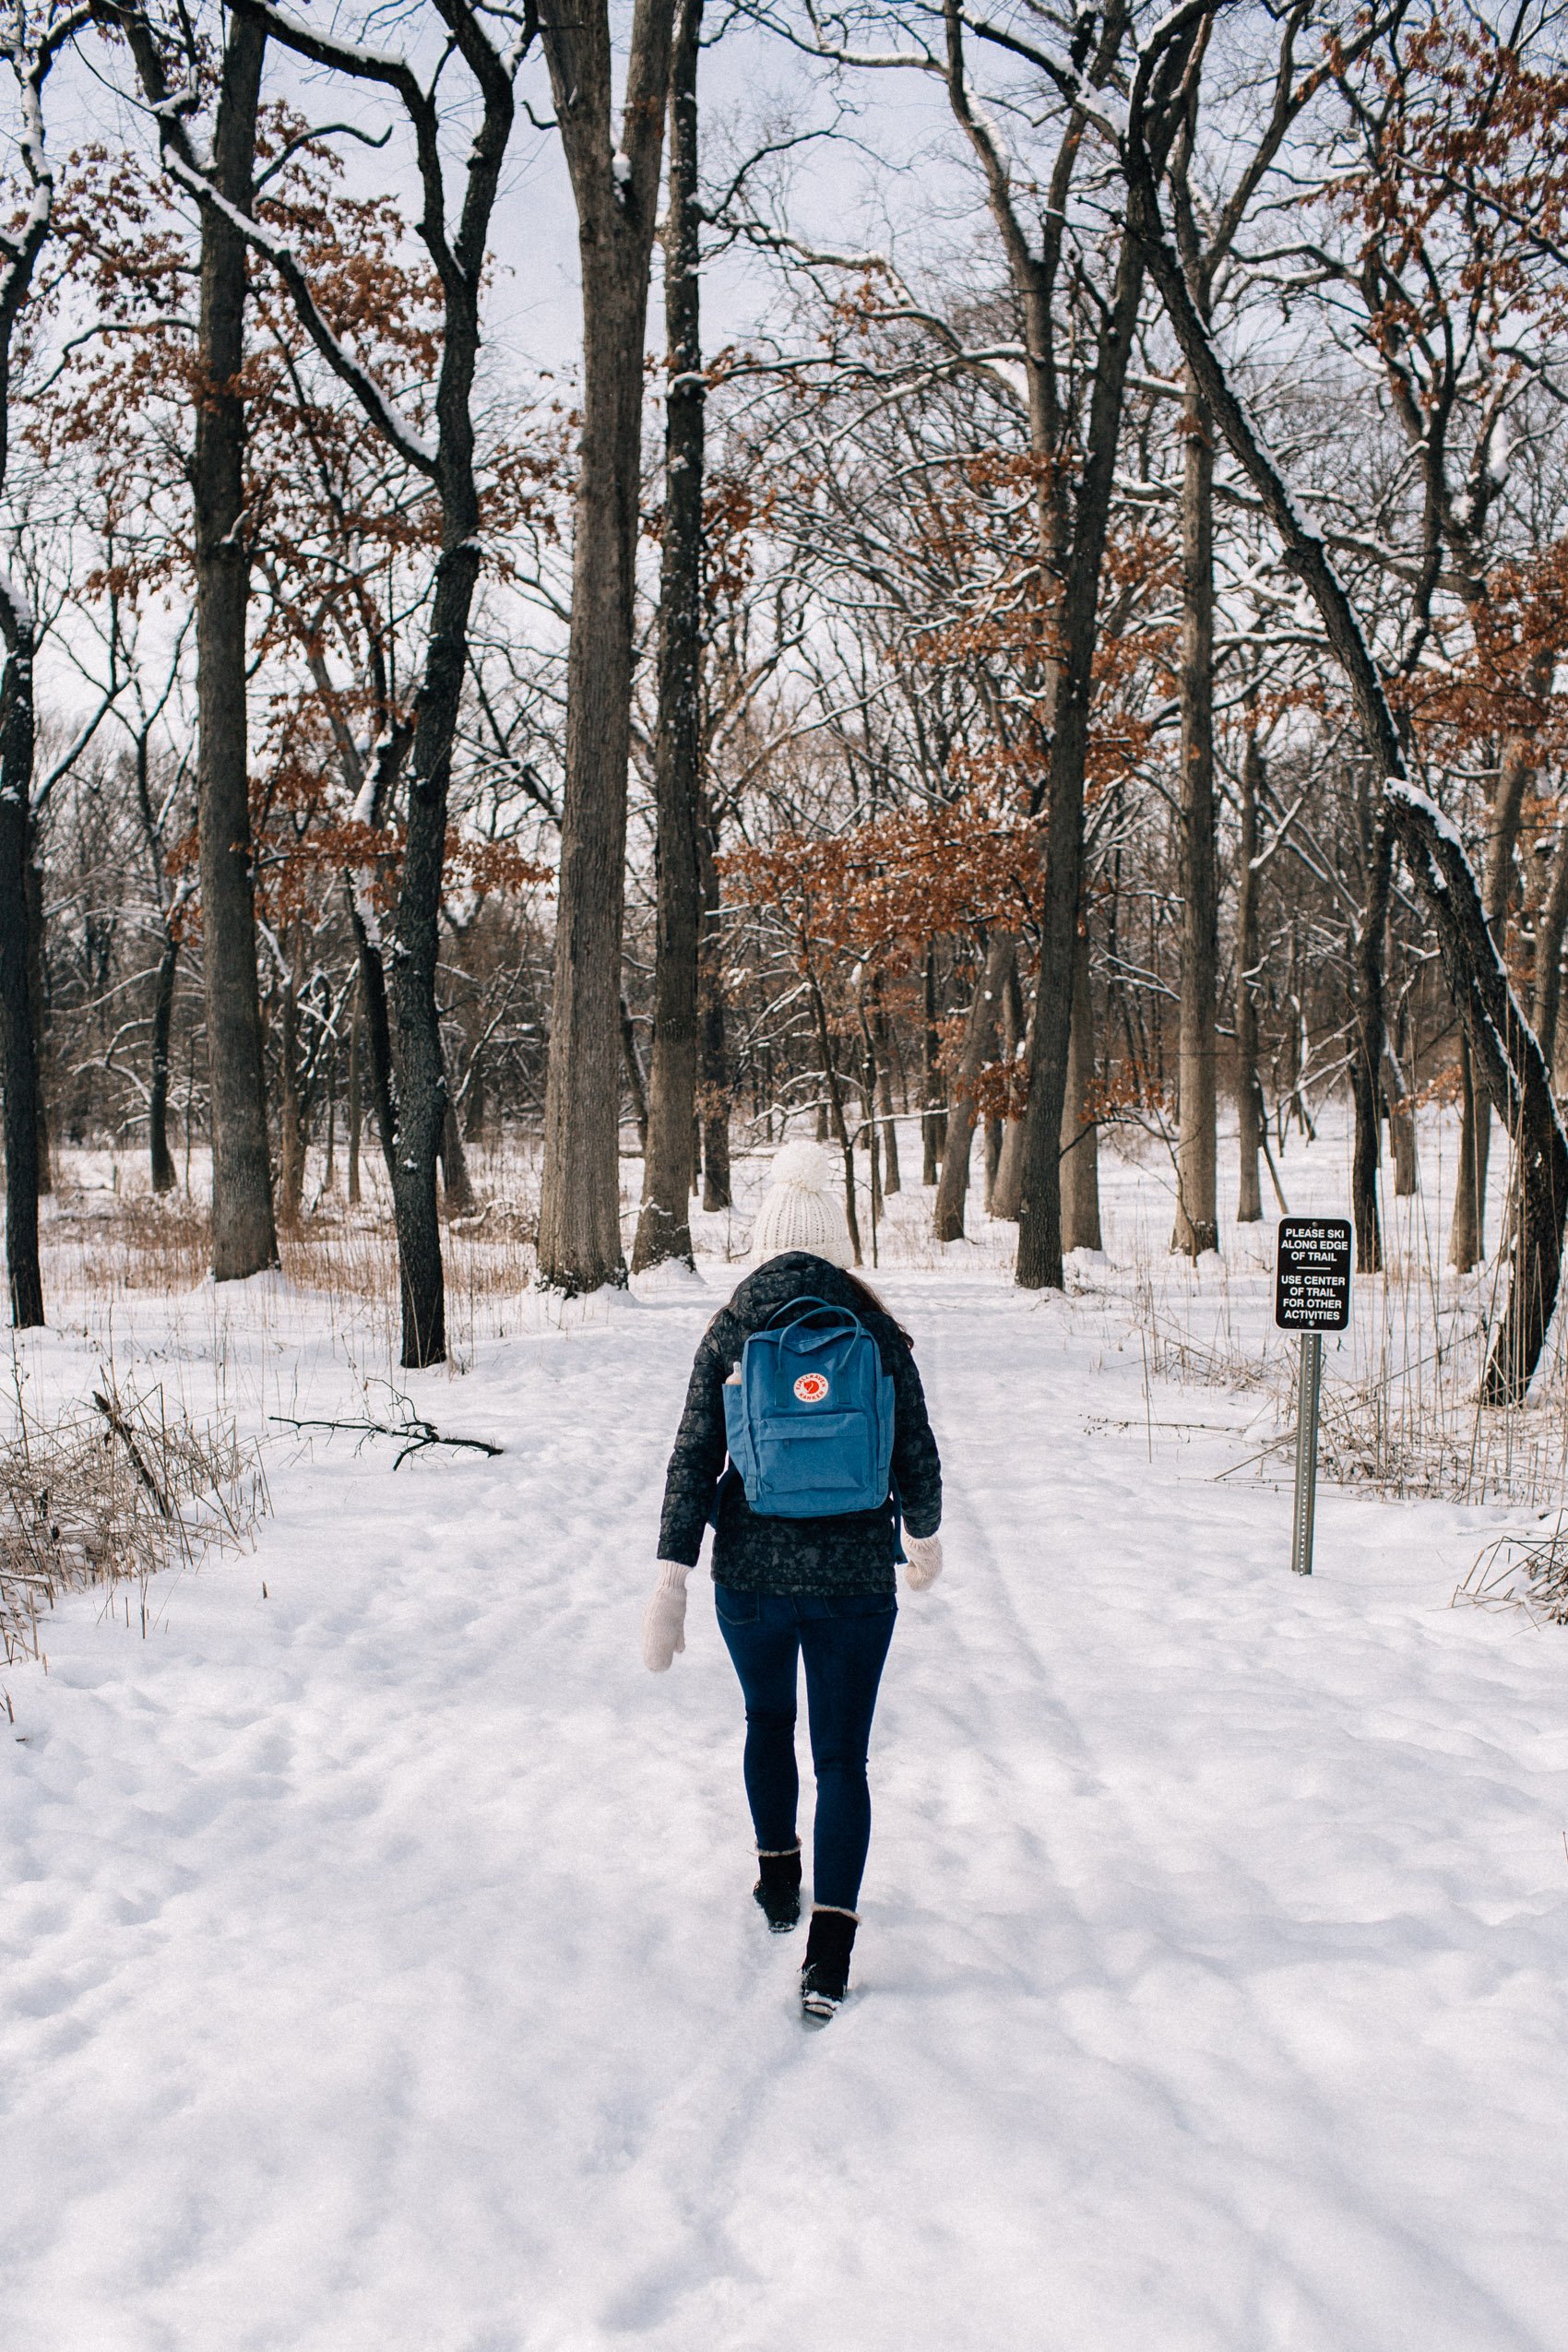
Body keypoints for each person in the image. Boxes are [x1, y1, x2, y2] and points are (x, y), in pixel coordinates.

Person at [642, 1141, 944, 2020]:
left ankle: (778, 1882)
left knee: (768, 1720)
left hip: (751, 1573)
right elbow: (914, 1451)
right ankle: (830, 1952)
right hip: (855, 1577)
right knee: (843, 1759)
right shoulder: (874, 1325)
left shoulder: (735, 1323)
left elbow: (694, 1457)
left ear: (767, 1239)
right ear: (833, 1239)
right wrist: (922, 1538)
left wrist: (672, 1577)